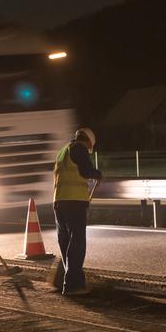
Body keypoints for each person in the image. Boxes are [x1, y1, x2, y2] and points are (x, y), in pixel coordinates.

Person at [53, 127, 102, 296]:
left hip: (59, 201)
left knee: (65, 240)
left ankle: (68, 281)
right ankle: (73, 285)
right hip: (75, 202)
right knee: (78, 241)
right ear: (88, 141)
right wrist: (98, 174)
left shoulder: (62, 152)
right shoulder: (79, 149)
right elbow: (86, 171)